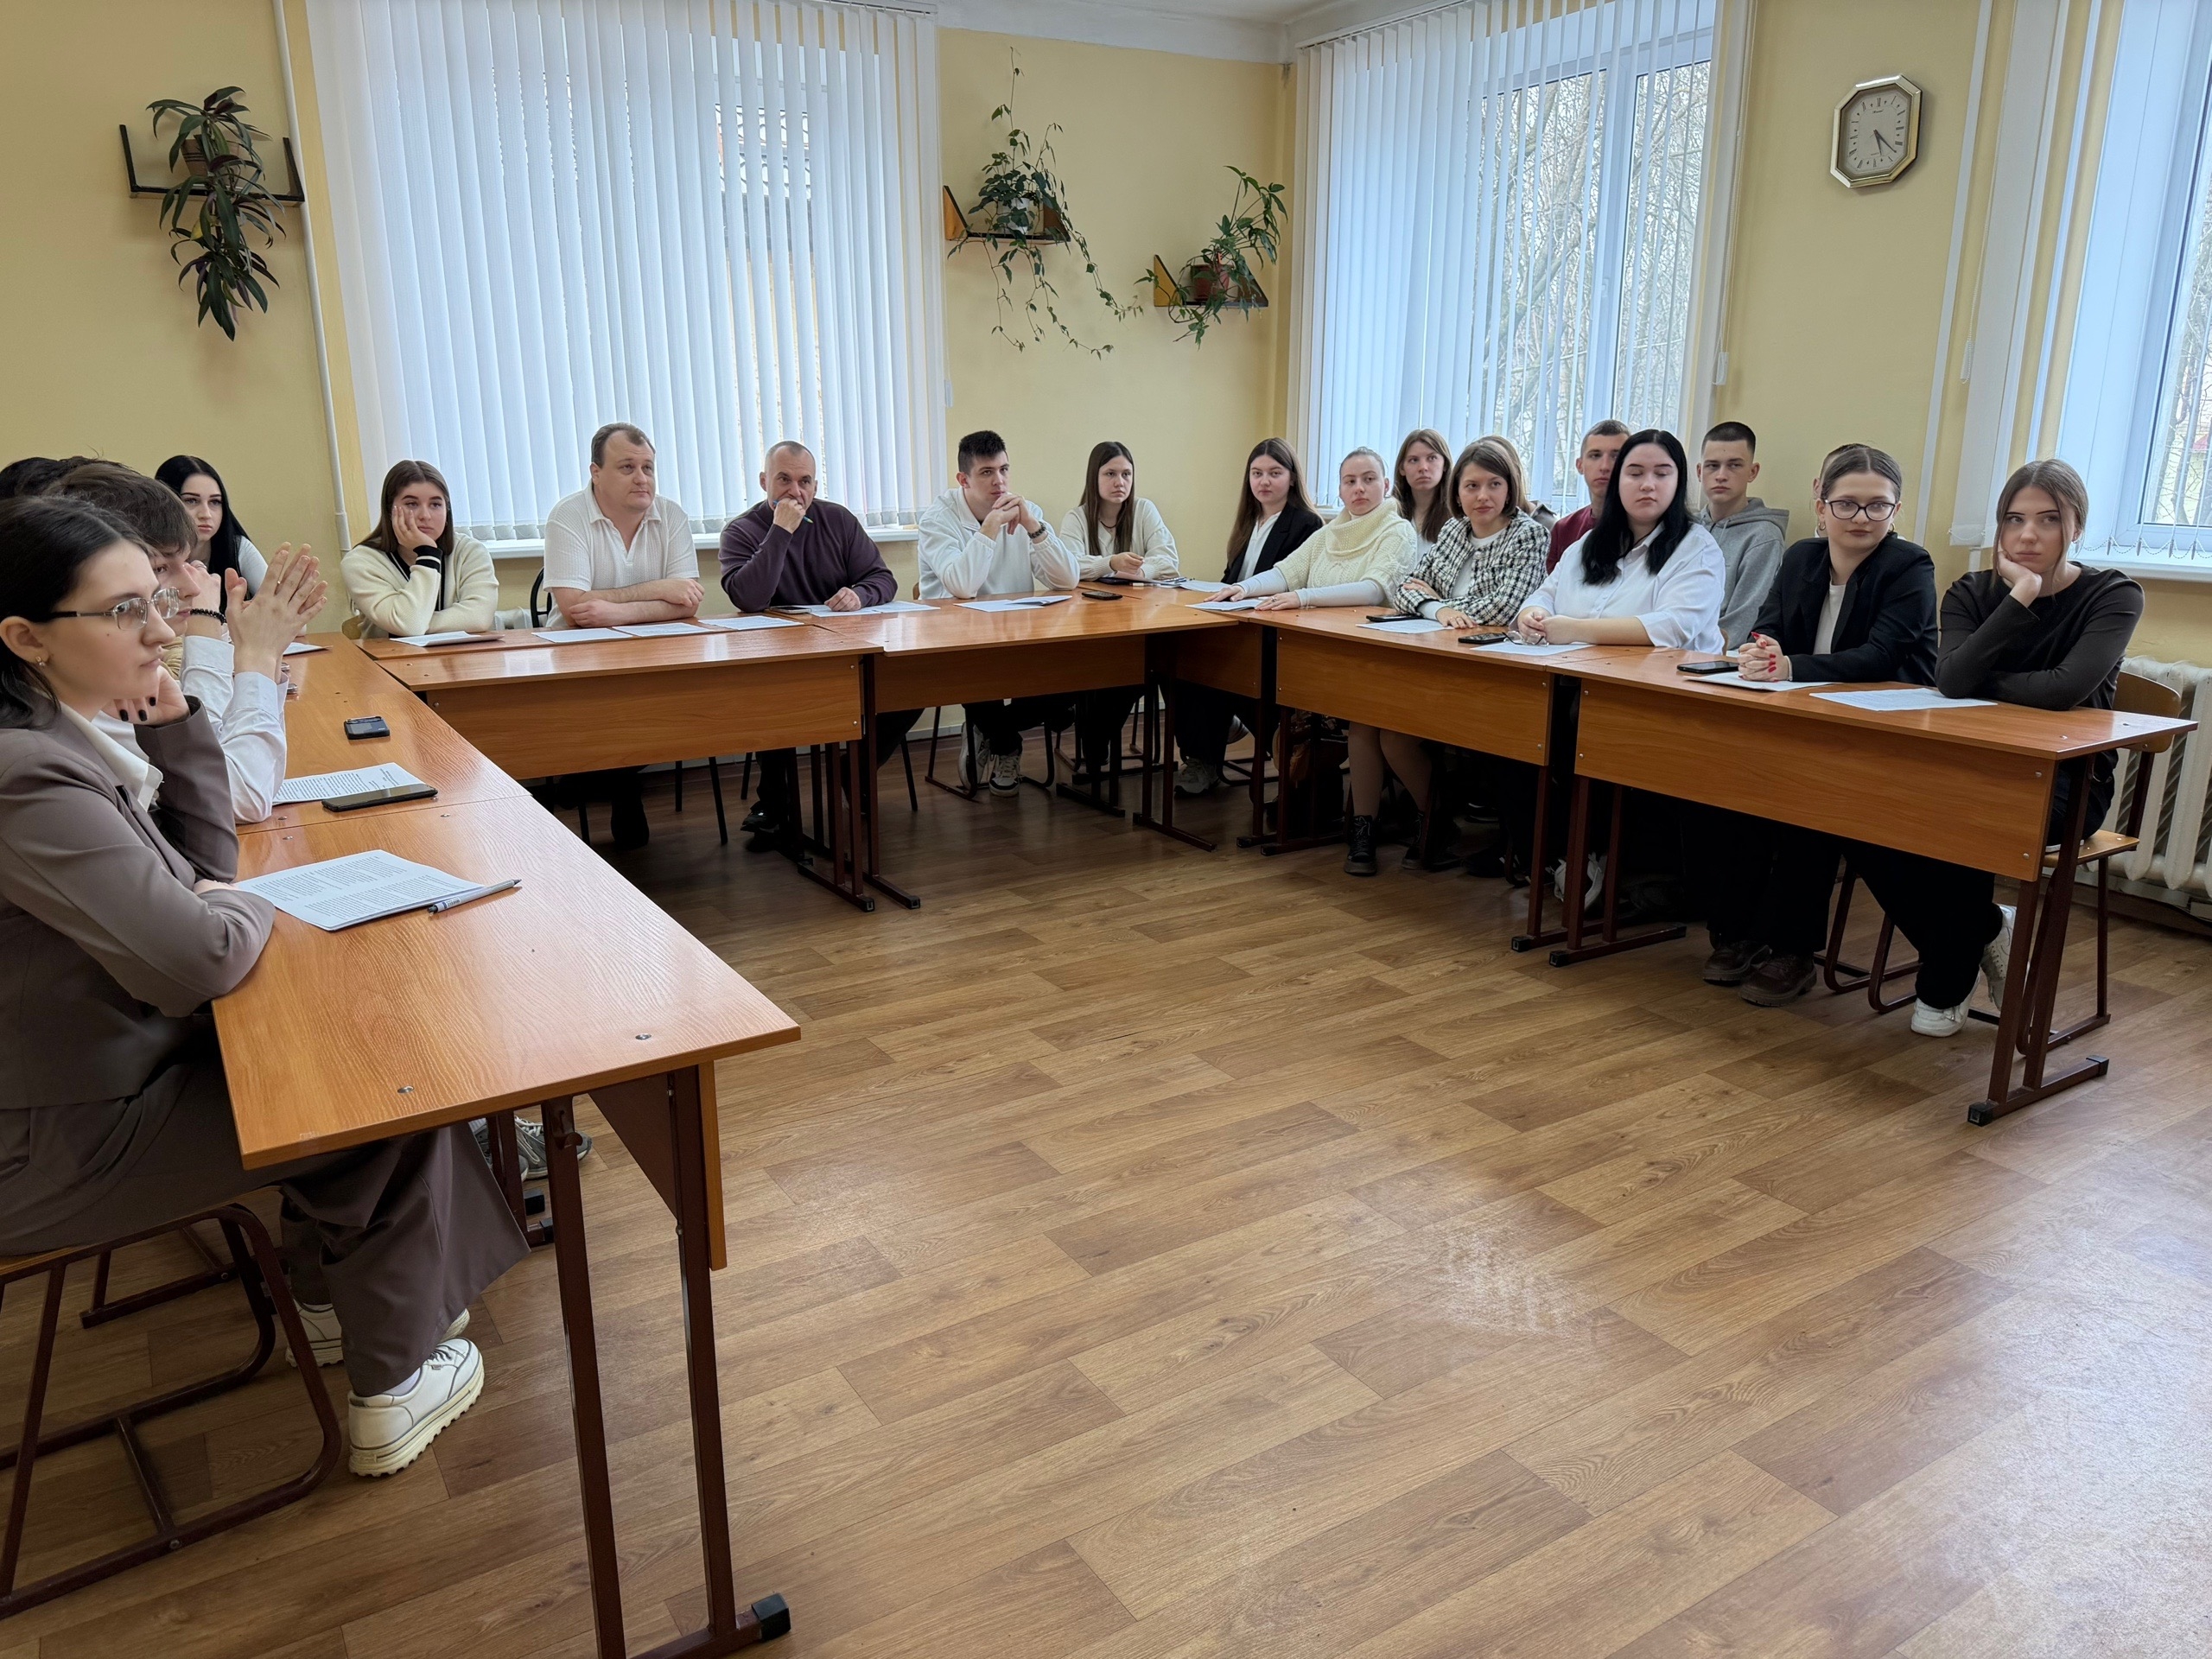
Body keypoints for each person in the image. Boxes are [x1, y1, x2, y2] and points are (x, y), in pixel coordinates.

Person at [0, 495, 525, 1478]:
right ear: (26, 638)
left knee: (342, 1061)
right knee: (382, 1088)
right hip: (56, 1145)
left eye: (160, 600)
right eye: (125, 611)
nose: (163, 631)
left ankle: (329, 1304)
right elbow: (200, 952)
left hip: (110, 1076)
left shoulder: (67, 734)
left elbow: (205, 865)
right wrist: (239, 906)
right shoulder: (26, 776)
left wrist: (175, 724)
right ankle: (393, 1380)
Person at [1852, 459, 2143, 1037]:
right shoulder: (1971, 592)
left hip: (2067, 784)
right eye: (2014, 519)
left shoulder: (2114, 594)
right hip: (1966, 766)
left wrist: (1984, 675)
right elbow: (1952, 681)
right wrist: (2020, 597)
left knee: (1965, 819)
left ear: (2077, 526)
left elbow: (2061, 690)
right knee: (1858, 812)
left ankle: (1944, 984)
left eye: (2048, 519)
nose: (2028, 535)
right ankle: (1984, 930)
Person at [1698, 444, 1937, 1006]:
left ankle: (1793, 950)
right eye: (1847, 503)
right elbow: (1769, 627)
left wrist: (1789, 667)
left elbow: (1880, 657)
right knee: (1723, 787)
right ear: (1821, 502)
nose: (1861, 518)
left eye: (1877, 506)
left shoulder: (1909, 566)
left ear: (1896, 509)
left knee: (1809, 804)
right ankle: (1740, 933)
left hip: (1883, 732)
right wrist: (1760, 653)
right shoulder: (1802, 557)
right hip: (1804, 719)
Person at [48, 461, 319, 825]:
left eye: (187, 561)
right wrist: (253, 655)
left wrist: (264, 659)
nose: (192, 586)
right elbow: (237, 796)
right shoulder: (97, 672)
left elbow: (251, 780)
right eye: (161, 568)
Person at [1353, 436, 1551, 874]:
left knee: (1397, 736)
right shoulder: (1453, 531)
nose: (1483, 496)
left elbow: (1506, 608)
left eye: (1494, 484)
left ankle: (1436, 822)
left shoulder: (1528, 534)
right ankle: (1432, 820)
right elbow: (1405, 589)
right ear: (1457, 491)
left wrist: (1438, 604)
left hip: (1492, 673)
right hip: (1434, 660)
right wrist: (1438, 610)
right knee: (1384, 729)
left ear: (1510, 487)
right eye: (1471, 486)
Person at [1218, 448, 1421, 875]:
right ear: (1340, 489)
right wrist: (1243, 589)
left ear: (1386, 485)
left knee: (1364, 724)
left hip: (1377, 661)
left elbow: (1373, 589)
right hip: (1327, 659)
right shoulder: (1331, 532)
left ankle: (1373, 828)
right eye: (1350, 481)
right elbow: (1286, 572)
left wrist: (1303, 598)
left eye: (1369, 479)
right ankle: (1356, 824)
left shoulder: (1398, 531)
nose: (1359, 489)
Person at [718, 441, 919, 849]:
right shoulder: (740, 531)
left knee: (912, 683)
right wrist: (780, 532)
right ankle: (775, 805)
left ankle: (855, 769)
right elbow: (749, 598)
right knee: (776, 695)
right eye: (784, 480)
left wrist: (860, 595)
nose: (796, 492)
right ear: (764, 482)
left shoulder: (837, 520)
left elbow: (883, 579)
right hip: (778, 657)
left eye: (805, 481)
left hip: (844, 648)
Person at [542, 423, 703, 848]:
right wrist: (659, 590)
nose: (642, 478)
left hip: (654, 653)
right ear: (596, 473)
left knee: (690, 706)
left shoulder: (671, 515)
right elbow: (575, 608)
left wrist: (617, 611)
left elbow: (687, 603)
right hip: (579, 657)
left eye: (648, 467)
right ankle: (618, 784)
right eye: (627, 467)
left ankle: (596, 775)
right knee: (615, 706)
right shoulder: (568, 515)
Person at [916, 429, 1081, 794]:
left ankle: (987, 727)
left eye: (1004, 470)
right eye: (987, 473)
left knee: (1073, 680)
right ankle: (1006, 745)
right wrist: (990, 527)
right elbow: (962, 585)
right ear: (964, 480)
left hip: (1017, 632)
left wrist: (1034, 527)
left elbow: (1067, 579)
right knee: (977, 673)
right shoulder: (937, 519)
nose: (1000, 481)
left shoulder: (1026, 511)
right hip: (957, 639)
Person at [1174, 438, 1324, 798]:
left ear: (1292, 477)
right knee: (1180, 658)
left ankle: (1228, 745)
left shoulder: (1306, 523)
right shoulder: (1249, 521)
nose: (1264, 481)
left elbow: (1293, 584)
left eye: (1275, 473)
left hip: (1274, 635)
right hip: (1238, 627)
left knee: (1217, 668)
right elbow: (1233, 580)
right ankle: (1203, 758)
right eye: (1257, 474)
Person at [1516, 429, 1726, 652]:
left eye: (1662, 474)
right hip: (1574, 668)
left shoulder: (1698, 548)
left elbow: (1674, 626)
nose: (1647, 485)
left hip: (1663, 672)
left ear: (1678, 482)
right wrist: (1533, 617)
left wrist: (1575, 630)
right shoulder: (1588, 543)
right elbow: (1544, 596)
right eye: (1635, 474)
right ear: (1617, 482)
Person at [1059, 442, 1179, 779]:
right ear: (1094, 477)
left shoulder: (1143, 510)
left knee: (1145, 666)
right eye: (1110, 474)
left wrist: (1140, 571)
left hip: (1137, 623)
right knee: (1107, 669)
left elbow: (1169, 560)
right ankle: (1094, 741)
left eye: (1126, 474)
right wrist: (1110, 563)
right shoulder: (1077, 518)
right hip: (1089, 625)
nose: (1119, 482)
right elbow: (1068, 566)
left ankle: (1096, 742)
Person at [342, 460, 500, 639]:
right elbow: (409, 626)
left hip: (462, 656)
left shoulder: (470, 551)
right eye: (412, 504)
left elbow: (479, 618)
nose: (425, 515)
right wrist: (427, 553)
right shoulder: (360, 561)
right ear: (389, 510)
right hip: (389, 656)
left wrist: (416, 622)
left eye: (435, 504)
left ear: (447, 510)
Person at [1695, 423, 1789, 649]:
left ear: (1752, 472)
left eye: (1734, 465)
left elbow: (1744, 619)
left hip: (1719, 655)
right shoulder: (1686, 529)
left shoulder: (1764, 536)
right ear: (1699, 472)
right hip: (1667, 646)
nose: (1721, 476)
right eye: (1712, 466)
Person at [156, 455, 268, 598]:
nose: (206, 514)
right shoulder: (146, 553)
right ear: (164, 503)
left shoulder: (237, 548)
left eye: (215, 502)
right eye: (191, 501)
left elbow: (277, 604)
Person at [1548, 420, 1630, 570]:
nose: (1605, 466)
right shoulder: (1563, 530)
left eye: (1616, 456)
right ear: (1580, 465)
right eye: (1595, 455)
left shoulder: (1642, 528)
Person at [1391, 429, 1454, 553]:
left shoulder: (1459, 516)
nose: (1423, 468)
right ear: (1402, 468)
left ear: (1445, 465)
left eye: (1432, 458)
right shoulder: (1389, 514)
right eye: (1414, 460)